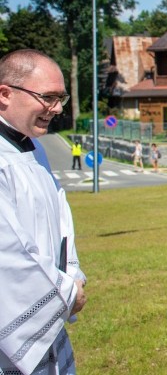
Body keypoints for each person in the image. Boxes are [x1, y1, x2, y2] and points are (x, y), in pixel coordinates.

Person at [0, 49, 87, 374]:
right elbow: (8, 256)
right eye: (48, 97)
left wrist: (73, 277)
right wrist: (65, 293)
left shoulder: (35, 148)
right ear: (5, 94)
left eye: (60, 97)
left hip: (52, 333)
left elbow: (60, 222)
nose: (58, 108)